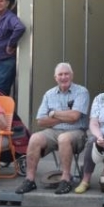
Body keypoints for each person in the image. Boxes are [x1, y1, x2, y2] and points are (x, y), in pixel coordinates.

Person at [15, 62, 90, 195]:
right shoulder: (49, 94)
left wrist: (53, 113)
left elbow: (75, 116)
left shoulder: (81, 91)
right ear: (55, 78)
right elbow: (41, 121)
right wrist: (64, 116)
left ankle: (65, 179)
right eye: (60, 74)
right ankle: (29, 179)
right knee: (35, 137)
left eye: (66, 74)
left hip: (77, 132)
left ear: (72, 75)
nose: (63, 77)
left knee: (64, 138)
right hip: (53, 131)